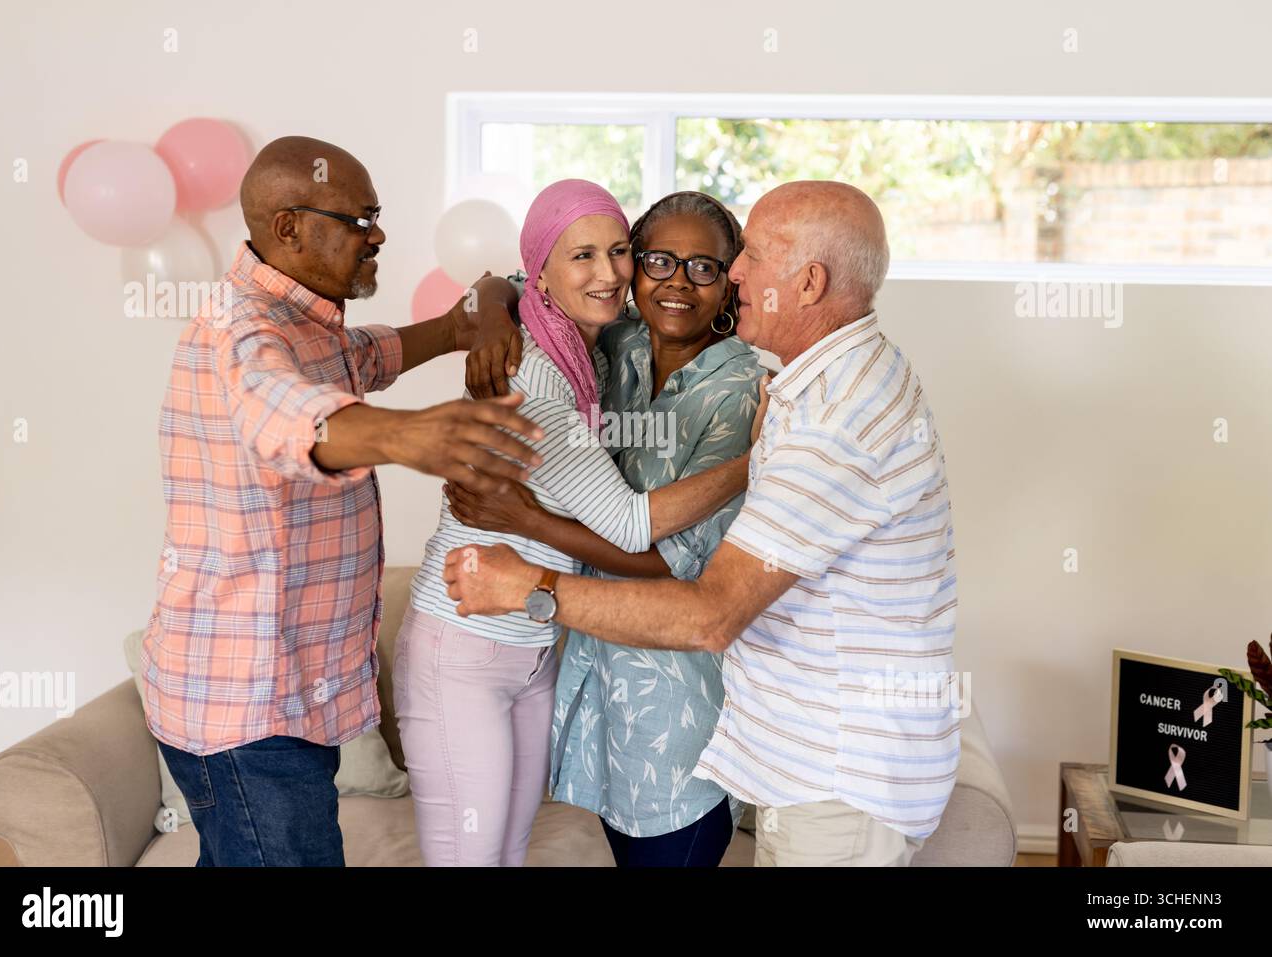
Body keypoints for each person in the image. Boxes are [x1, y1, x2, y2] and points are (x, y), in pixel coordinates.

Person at [443, 181, 961, 867]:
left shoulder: (820, 420)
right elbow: (529, 280)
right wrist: (487, 313)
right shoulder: (809, 384)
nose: (737, 272)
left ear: (808, 283)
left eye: (745, 258)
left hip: (837, 773)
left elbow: (710, 611)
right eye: (658, 260)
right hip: (797, 758)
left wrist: (527, 578)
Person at [141, 135, 544, 867]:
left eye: (377, 215)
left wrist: (487, 307)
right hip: (249, 712)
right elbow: (288, 413)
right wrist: (407, 435)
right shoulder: (244, 332)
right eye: (360, 219)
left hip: (288, 700)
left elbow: (452, 317)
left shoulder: (312, 328)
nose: (378, 233)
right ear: (289, 226)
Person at [396, 179, 761, 867]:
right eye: (656, 259)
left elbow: (674, 558)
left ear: (729, 280)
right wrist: (499, 311)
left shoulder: (725, 385)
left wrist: (523, 517)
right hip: (493, 642)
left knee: (505, 854)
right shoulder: (579, 356)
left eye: (704, 267)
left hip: (642, 694)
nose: (673, 281)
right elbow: (511, 280)